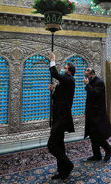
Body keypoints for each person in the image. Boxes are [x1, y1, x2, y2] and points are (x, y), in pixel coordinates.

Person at [47, 52, 75, 181]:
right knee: (59, 145)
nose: (63, 70)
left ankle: (68, 165)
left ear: (69, 72)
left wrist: (53, 60)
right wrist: (53, 90)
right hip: (58, 117)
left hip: (62, 118)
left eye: (65, 68)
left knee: (52, 145)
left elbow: (54, 74)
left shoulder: (69, 80)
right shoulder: (64, 82)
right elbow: (57, 98)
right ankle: (62, 171)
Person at [84, 68, 111, 162]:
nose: (86, 77)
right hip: (91, 112)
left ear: (92, 74)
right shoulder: (92, 81)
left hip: (98, 113)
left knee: (98, 135)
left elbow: (95, 93)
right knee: (92, 135)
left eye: (87, 75)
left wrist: (87, 85)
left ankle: (108, 149)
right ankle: (97, 155)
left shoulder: (99, 82)